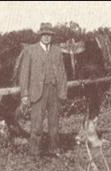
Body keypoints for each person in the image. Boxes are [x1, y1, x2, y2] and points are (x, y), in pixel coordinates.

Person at [18, 22, 68, 156]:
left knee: (54, 123)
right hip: (37, 92)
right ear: (40, 35)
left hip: (54, 91)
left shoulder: (57, 51)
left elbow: (62, 72)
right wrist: (24, 94)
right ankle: (34, 151)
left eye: (49, 35)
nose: (46, 37)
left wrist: (63, 92)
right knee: (37, 124)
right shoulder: (30, 50)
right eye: (44, 34)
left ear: (52, 36)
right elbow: (24, 74)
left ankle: (54, 148)